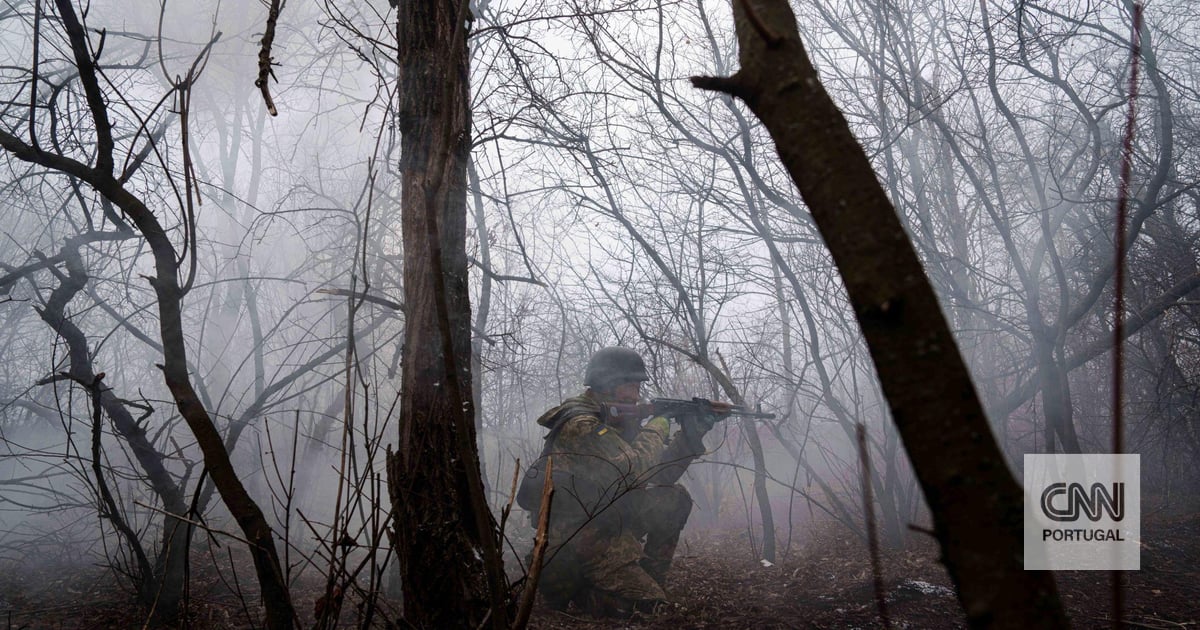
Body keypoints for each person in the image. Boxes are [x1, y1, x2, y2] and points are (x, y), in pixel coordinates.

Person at [527, 346, 714, 617]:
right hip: (578, 541)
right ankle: (579, 592)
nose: (638, 391)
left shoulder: (614, 420)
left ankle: (647, 581)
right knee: (648, 608)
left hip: (607, 524)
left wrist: (691, 436)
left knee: (674, 497)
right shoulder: (581, 423)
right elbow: (634, 467)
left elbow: (658, 476)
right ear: (608, 383)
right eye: (632, 383)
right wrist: (659, 425)